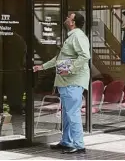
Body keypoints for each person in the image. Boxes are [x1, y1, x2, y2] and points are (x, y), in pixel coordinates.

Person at [34, 12, 90, 154]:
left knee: (72, 114)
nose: (65, 19)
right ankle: (66, 141)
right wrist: (42, 67)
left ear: (72, 22)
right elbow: (59, 59)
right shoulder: (71, 37)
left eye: (68, 18)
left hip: (73, 82)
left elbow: (85, 56)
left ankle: (78, 145)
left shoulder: (78, 36)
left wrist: (70, 69)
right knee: (66, 114)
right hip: (66, 82)